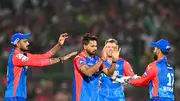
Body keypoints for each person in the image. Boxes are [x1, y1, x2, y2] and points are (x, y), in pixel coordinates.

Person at [5, 33, 77, 101]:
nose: (28, 43)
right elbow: (40, 63)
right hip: (14, 96)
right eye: (25, 41)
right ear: (18, 44)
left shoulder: (23, 55)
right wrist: (61, 59)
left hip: (18, 94)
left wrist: (59, 45)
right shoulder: (17, 57)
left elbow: (44, 56)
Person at [72, 34, 119, 101]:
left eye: (96, 46)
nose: (95, 48)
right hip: (82, 98)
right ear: (85, 46)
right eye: (92, 46)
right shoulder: (79, 59)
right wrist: (102, 60)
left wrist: (114, 61)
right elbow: (88, 73)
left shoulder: (97, 59)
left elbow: (109, 73)